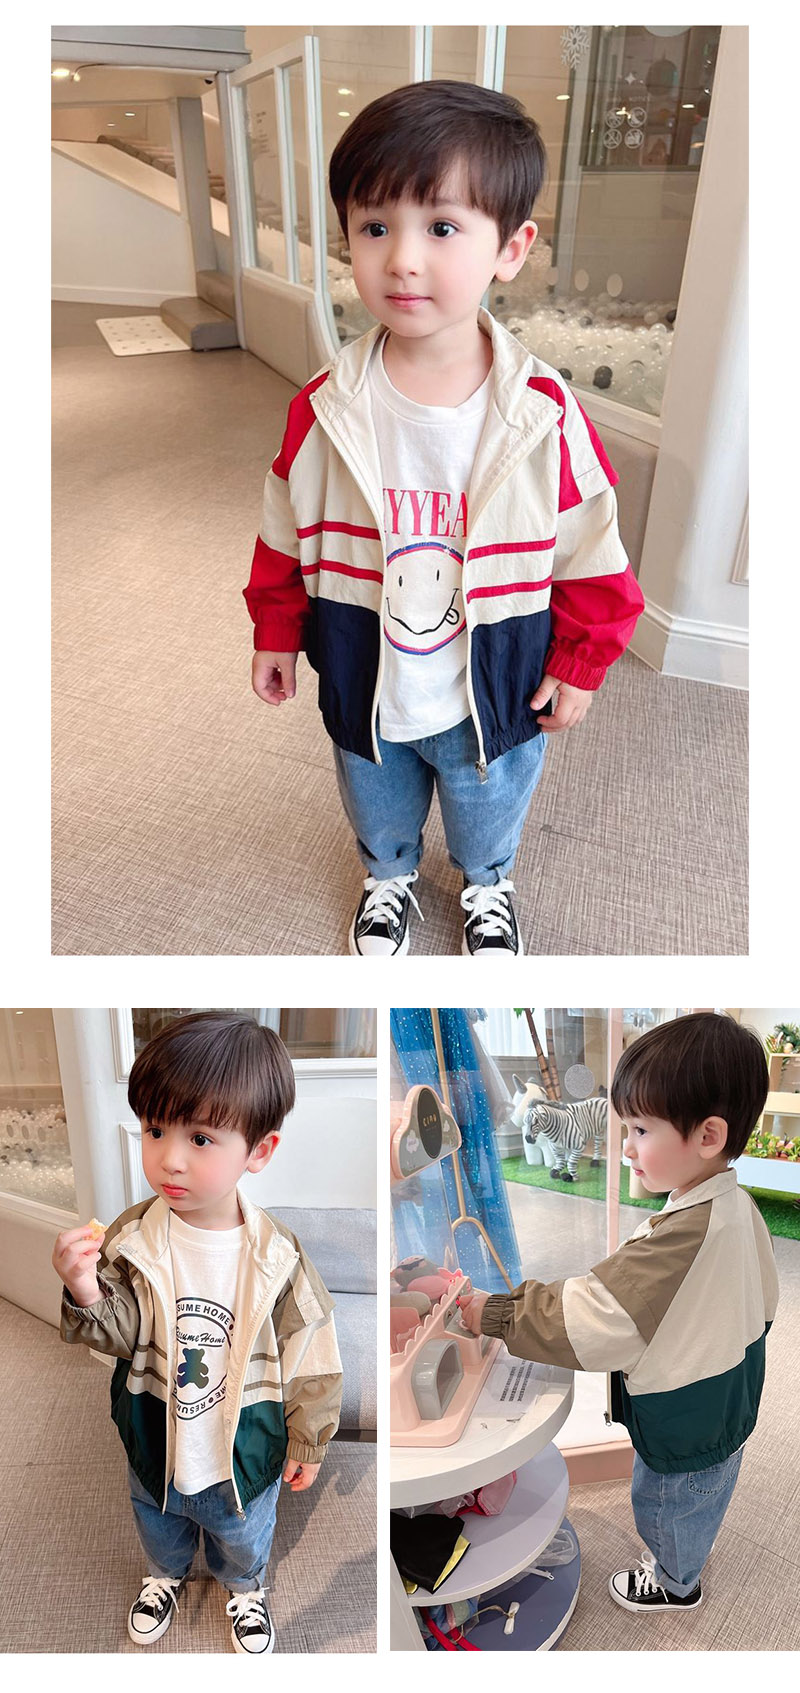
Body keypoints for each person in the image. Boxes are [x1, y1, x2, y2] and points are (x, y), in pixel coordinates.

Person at [244, 80, 644, 956]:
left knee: (487, 804)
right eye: (374, 226)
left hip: (494, 678)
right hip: (366, 666)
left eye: (442, 227)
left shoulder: (542, 413)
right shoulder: (324, 406)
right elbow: (283, 531)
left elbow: (593, 552)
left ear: (511, 248)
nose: (403, 259)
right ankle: (388, 874)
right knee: (374, 795)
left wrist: (580, 660)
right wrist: (277, 629)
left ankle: (487, 883)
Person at [459, 1013, 779, 1612]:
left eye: (639, 1129)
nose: (625, 1147)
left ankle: (675, 1584)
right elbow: (766, 1301)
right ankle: (686, 1556)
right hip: (728, 1397)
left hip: (686, 1416)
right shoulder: (736, 1206)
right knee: (701, 1495)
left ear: (708, 1136)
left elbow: (588, 1319)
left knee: (665, 1505)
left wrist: (494, 1313)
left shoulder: (677, 1241)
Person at [53, 1012, 342, 1655]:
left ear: (258, 1151)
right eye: (156, 1130)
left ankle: (245, 1588)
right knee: (156, 1518)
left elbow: (312, 1349)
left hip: (243, 1439)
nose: (170, 1158)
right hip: (156, 1425)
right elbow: (121, 1335)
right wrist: (85, 1289)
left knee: (243, 1531)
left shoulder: (278, 1256)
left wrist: (309, 1436)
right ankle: (165, 1575)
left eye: (202, 1138)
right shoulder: (131, 1237)